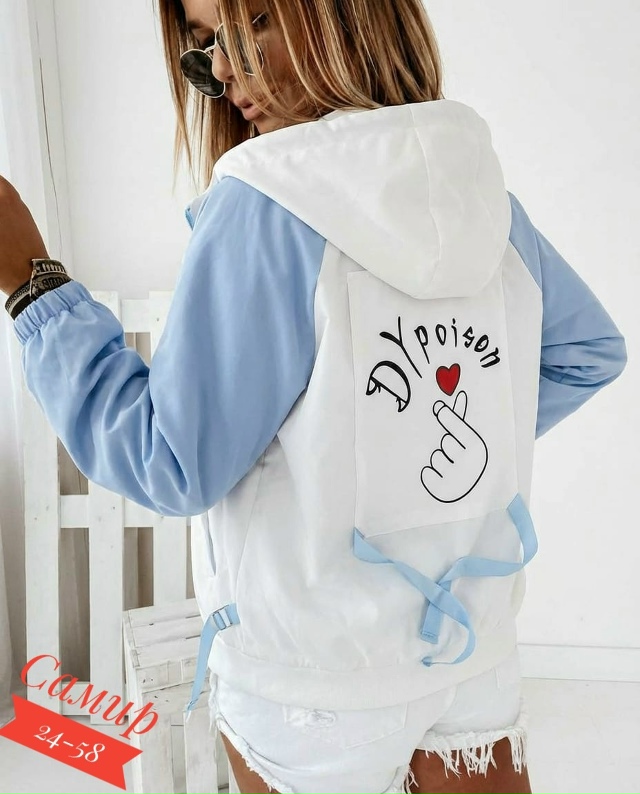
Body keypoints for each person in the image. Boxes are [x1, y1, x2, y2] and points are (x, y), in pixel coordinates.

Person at [0, 0, 628, 792]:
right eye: (205, 42)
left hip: (309, 676)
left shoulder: (264, 199)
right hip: (471, 651)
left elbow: (169, 463)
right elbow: (585, 353)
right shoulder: (473, 185)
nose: (222, 67)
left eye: (255, 20)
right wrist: (413, 458)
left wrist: (33, 282)